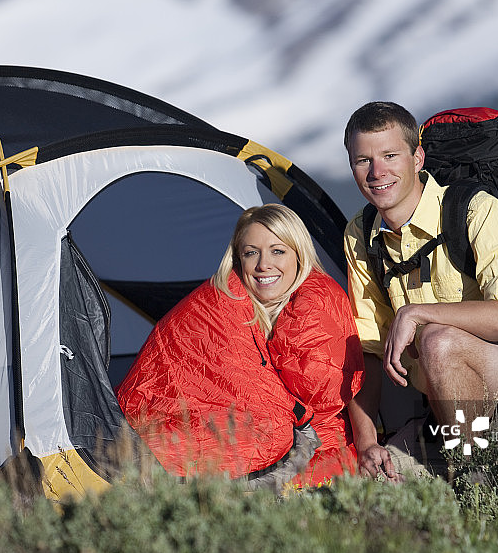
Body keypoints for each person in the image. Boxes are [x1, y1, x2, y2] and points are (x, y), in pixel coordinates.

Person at [342, 101, 498, 478]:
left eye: (390, 155)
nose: (377, 172)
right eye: (362, 160)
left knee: (438, 340)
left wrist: (416, 312)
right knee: (376, 488)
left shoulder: (474, 210)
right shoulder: (361, 236)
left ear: (417, 158)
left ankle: (473, 482)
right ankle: (467, 471)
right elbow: (367, 352)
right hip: (446, 418)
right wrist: (367, 444)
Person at [116, 203, 365, 487]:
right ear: (237, 260)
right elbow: (251, 397)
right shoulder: (220, 309)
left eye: (277, 251)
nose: (263, 265)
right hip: (147, 426)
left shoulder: (310, 305)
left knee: (333, 453)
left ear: (300, 254)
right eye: (251, 253)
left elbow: (323, 388)